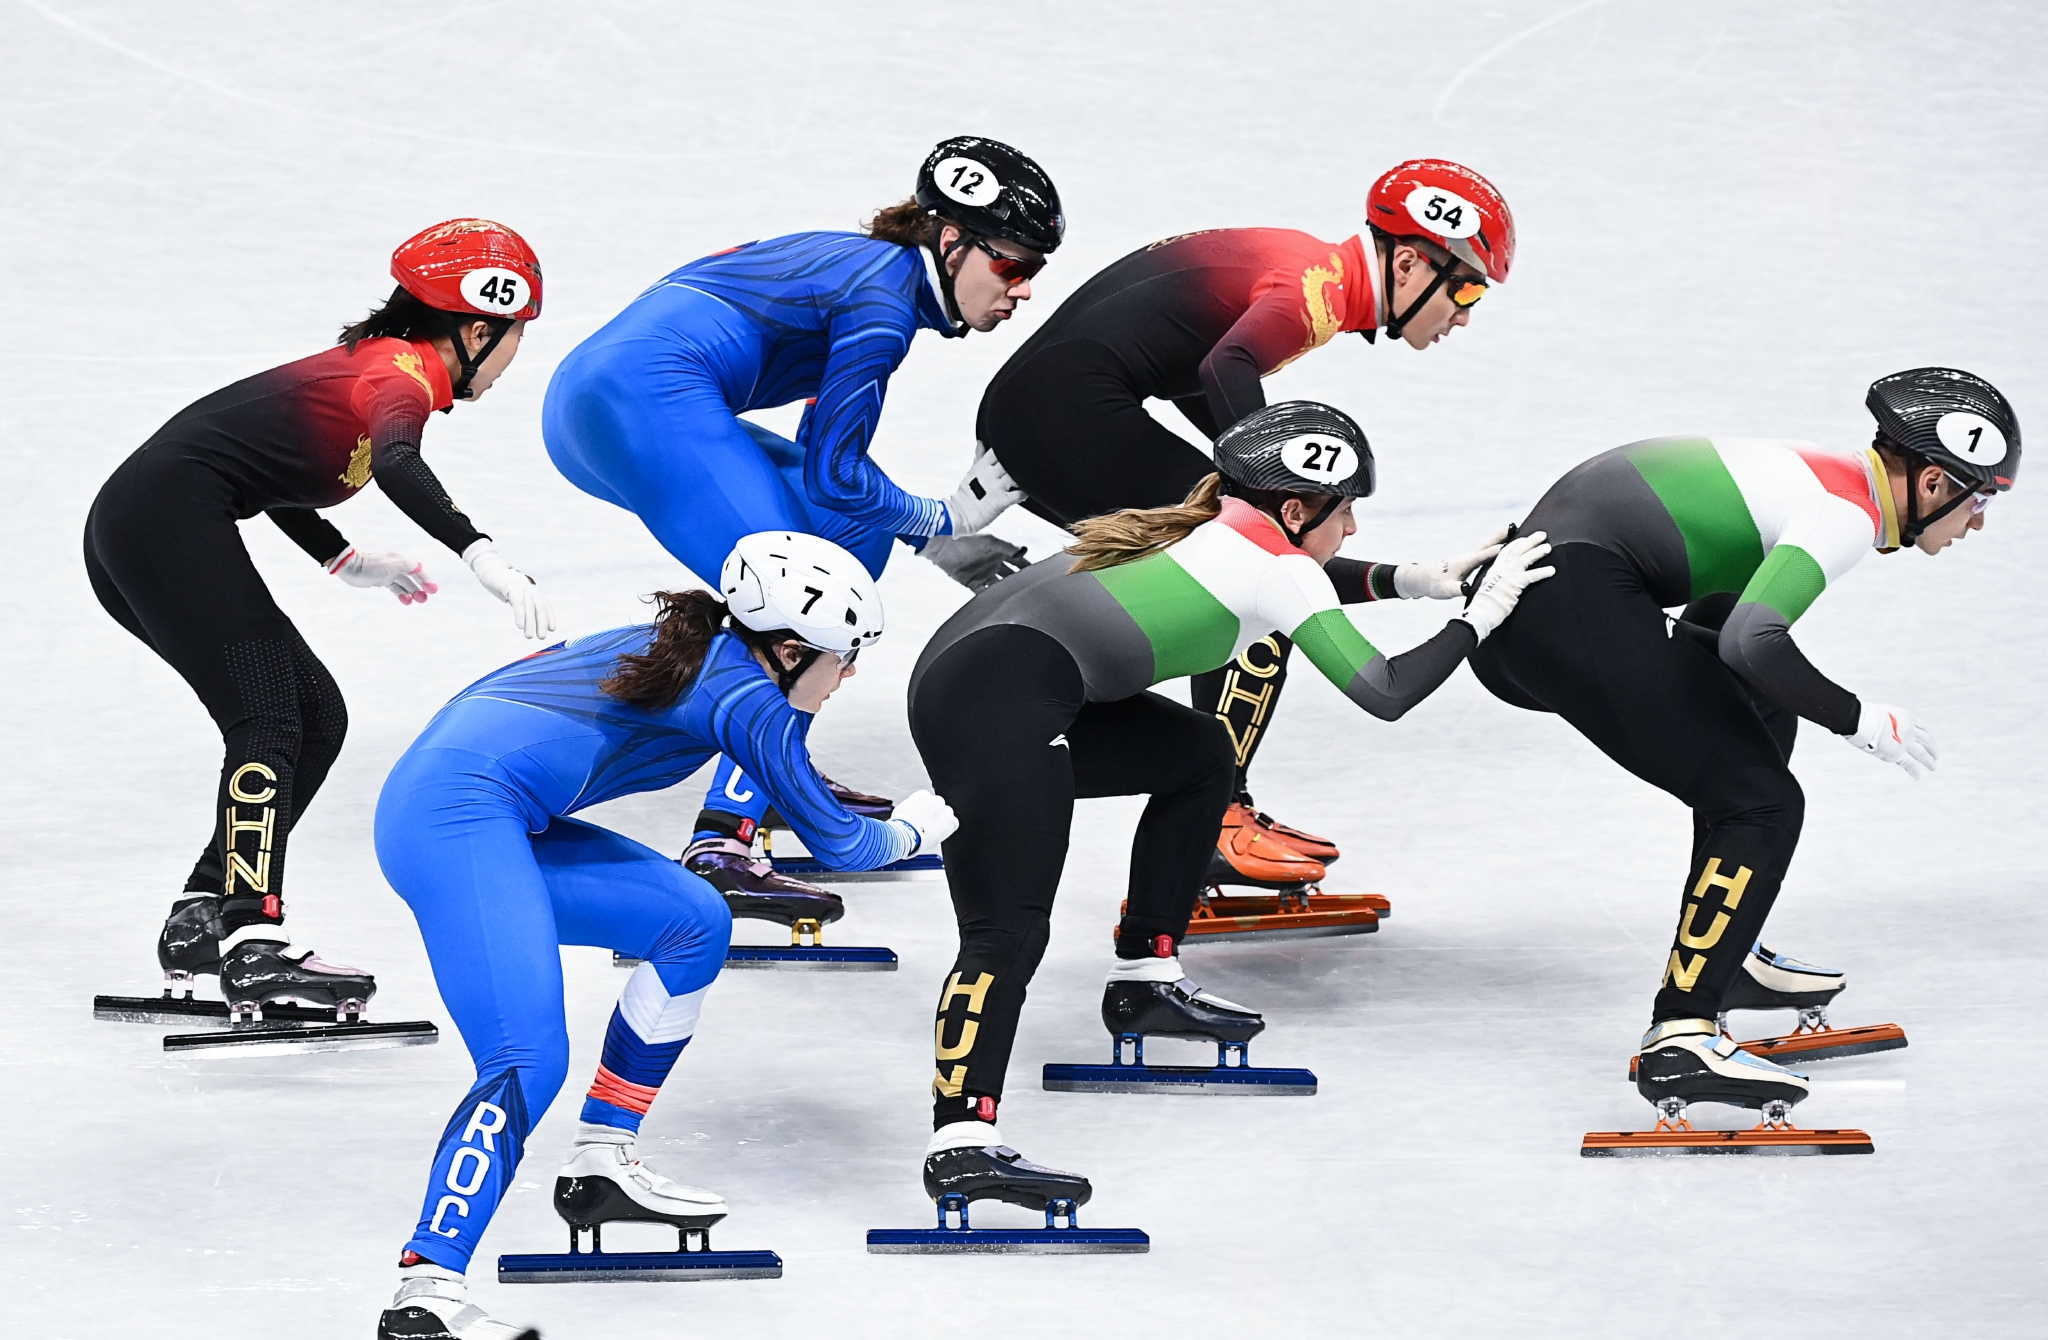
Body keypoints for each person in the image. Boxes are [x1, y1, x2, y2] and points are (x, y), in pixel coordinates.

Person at [904, 401, 1552, 1210]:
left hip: (982, 675)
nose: (1352, 528)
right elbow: (1384, 691)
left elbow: (1298, 580)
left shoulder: (1216, 524)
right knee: (1006, 929)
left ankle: (1144, 977)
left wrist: (1415, 580)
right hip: (994, 700)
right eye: (1346, 510)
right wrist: (1477, 618)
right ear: (1295, 511)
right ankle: (961, 1144)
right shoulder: (1276, 569)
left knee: (1201, 753)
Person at [372, 532, 956, 1340]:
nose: (849, 675)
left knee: (693, 921)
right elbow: (844, 843)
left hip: (482, 811)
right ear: (789, 651)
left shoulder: (708, 647)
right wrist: (918, 827)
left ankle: (601, 1159)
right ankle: (426, 1292)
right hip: (454, 821)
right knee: (525, 1057)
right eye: (844, 657)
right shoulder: (747, 696)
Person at [1467, 368, 2017, 1124]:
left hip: (1539, 600)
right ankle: (1682, 1035)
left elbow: (1727, 624)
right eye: (1981, 499)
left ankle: (1724, 955)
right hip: (1558, 607)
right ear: (1931, 482)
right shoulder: (1847, 511)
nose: (1979, 523)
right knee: (1762, 803)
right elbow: (1753, 640)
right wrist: (1857, 719)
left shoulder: (1823, 475)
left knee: (1759, 717)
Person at [541, 136, 1060, 909]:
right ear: (952, 241)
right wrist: (947, 518)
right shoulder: (882, 307)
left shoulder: (876, 276)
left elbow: (830, 464)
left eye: (1035, 271)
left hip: (612, 400)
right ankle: (722, 839)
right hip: (641, 402)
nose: (1023, 290)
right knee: (800, 598)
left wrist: (920, 534)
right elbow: (835, 472)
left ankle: (764, 774)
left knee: (852, 541)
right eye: (1013, 266)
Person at [970, 158, 1515, 888]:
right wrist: (1268, 486)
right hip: (1062, 409)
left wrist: (1394, 571)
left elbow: (1197, 359)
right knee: (1255, 572)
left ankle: (1208, 801)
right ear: (1410, 264)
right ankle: (1219, 818)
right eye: (1467, 288)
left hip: (1049, 404)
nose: (1467, 314)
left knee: (1252, 557)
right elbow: (1227, 365)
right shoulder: (1319, 293)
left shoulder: (1317, 270)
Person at [84, 219, 555, 1019]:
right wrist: (481, 554)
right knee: (267, 717)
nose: (514, 358)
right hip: (157, 524)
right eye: (516, 337)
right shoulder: (400, 376)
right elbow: (398, 462)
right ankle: (253, 944)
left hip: (144, 524)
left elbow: (258, 464)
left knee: (314, 714)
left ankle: (206, 914)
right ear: (478, 331)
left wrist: (342, 558)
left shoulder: (373, 366)